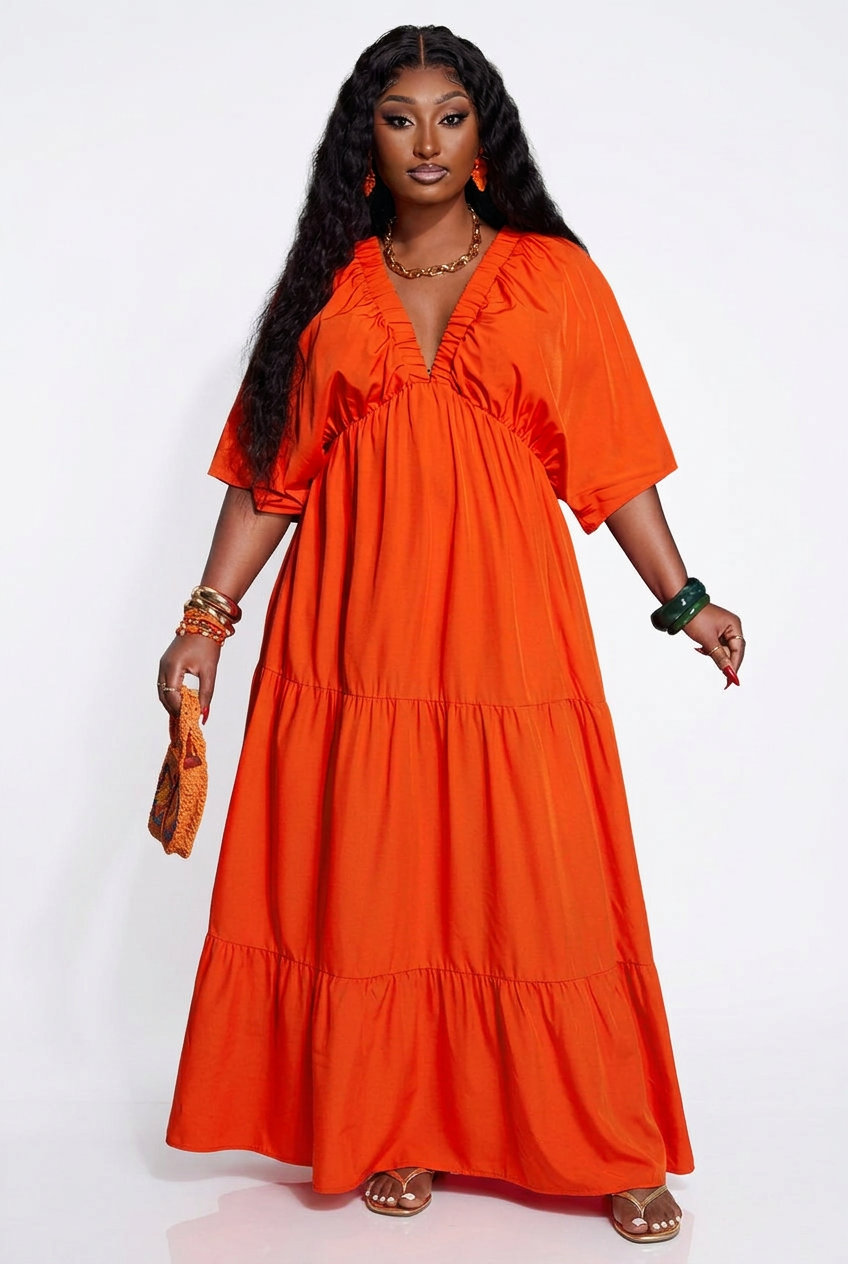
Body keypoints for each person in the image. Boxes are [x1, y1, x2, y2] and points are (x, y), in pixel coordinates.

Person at [157, 24, 744, 1243]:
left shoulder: (552, 278)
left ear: (484, 139)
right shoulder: (328, 286)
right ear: (363, 143)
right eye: (398, 118)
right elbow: (268, 475)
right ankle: (395, 1120)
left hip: (502, 625)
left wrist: (684, 599)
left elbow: (613, 460)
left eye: (449, 116)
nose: (424, 140)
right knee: (378, 875)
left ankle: (608, 1138)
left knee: (540, 876)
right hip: (353, 634)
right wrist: (206, 616)